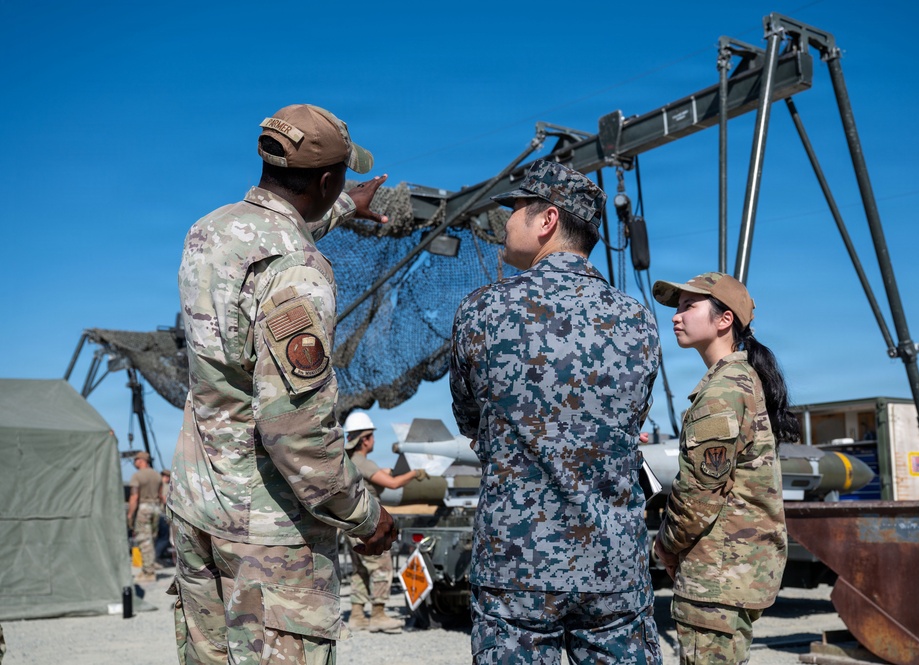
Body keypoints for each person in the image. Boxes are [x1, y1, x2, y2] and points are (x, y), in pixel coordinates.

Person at [167, 103, 398, 665]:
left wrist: (344, 206)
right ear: (325, 180)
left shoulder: (208, 231)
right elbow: (294, 430)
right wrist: (365, 517)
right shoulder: (298, 270)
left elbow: (269, 234)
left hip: (198, 509)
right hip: (266, 535)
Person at [450, 160, 663, 664]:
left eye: (516, 209)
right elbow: (632, 421)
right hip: (614, 567)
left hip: (515, 569)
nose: (505, 222)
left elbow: (470, 419)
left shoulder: (483, 310)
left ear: (547, 220)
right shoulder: (638, 320)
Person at [651, 272, 800, 664]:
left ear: (724, 320)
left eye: (689, 306)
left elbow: (699, 495)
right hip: (733, 571)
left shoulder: (721, 392)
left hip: (716, 574)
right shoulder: (742, 379)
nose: (676, 316)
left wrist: (665, 544)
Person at [342, 411, 429, 633]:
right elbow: (392, 484)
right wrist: (415, 473)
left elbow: (379, 475)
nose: (374, 440)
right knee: (381, 566)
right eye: (371, 436)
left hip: (352, 525)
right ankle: (378, 615)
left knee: (360, 569)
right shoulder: (362, 461)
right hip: (368, 524)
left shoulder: (349, 461)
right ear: (365, 439)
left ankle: (357, 615)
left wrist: (391, 471)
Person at [126, 451, 162, 583]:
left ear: (141, 460)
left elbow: (134, 497)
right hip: (156, 508)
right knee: (151, 539)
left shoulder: (137, 476)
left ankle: (149, 573)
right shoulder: (157, 475)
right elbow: (161, 495)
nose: (134, 462)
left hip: (144, 508)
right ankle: (148, 567)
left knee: (144, 540)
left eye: (135, 460)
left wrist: (130, 514)